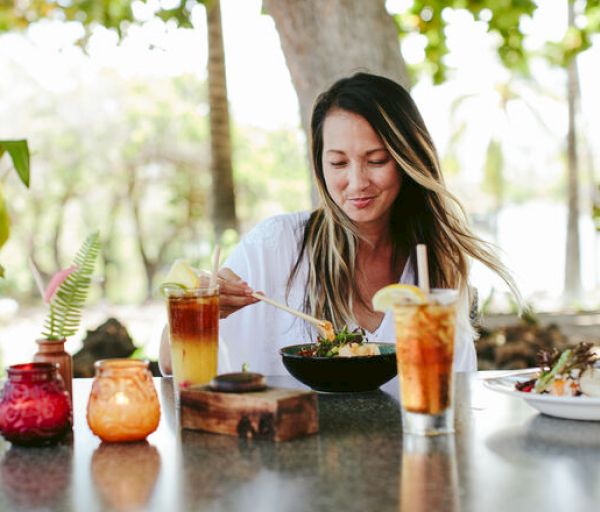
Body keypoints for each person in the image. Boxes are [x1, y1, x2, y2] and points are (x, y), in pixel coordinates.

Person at [159, 72, 520, 376]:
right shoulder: (278, 246)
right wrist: (196, 309)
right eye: (338, 163)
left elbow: (454, 389)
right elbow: (171, 363)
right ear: (320, 165)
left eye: (376, 160)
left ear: (408, 160)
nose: (357, 182)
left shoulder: (435, 267)